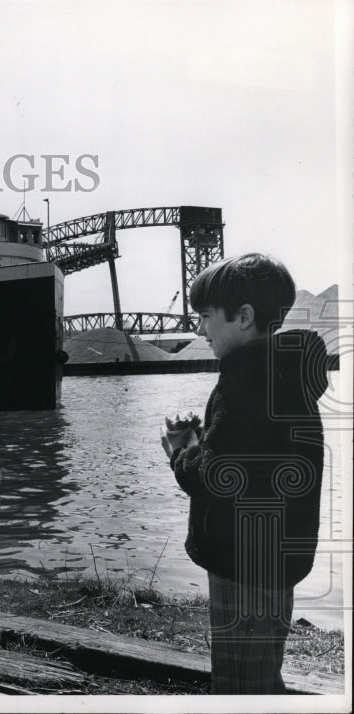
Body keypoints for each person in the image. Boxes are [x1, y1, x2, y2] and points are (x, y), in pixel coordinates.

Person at [161, 253, 328, 695]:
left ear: (244, 316)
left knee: (239, 690)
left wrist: (183, 451)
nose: (199, 329)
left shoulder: (245, 383)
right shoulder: (285, 375)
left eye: (206, 316)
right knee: (262, 680)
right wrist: (205, 439)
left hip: (243, 565)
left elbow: (217, 478)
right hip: (274, 561)